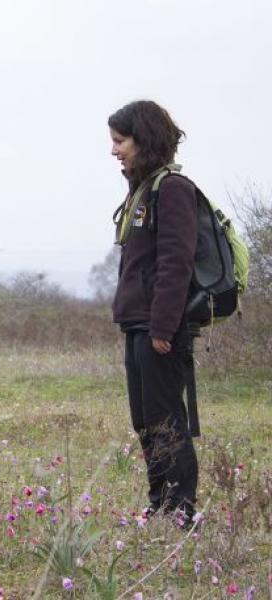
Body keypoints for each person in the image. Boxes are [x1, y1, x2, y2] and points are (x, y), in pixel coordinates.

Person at [108, 100, 198, 527]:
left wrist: (164, 325)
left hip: (159, 327)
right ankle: (160, 504)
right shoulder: (142, 189)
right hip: (137, 323)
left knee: (167, 422)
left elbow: (175, 262)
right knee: (145, 422)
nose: (114, 150)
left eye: (119, 141)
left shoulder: (173, 189)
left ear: (143, 139)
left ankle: (181, 510)